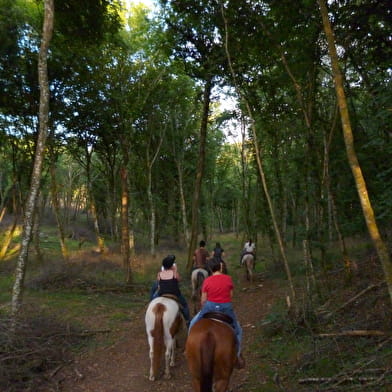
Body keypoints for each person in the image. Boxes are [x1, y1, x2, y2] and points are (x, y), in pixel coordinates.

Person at [188, 257, 245, 369]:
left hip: (209, 306)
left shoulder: (207, 280)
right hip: (226, 307)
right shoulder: (228, 278)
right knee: (238, 330)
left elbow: (203, 299)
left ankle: (188, 349)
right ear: (221, 267)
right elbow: (231, 296)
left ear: (210, 268)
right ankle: (237, 355)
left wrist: (205, 307)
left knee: (192, 324)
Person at [150, 255, 191, 327]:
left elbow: (159, 282)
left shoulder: (160, 273)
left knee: (152, 302)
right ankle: (187, 320)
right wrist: (174, 271)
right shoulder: (175, 273)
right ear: (171, 266)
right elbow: (179, 280)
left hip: (162, 293)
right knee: (184, 305)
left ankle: (150, 314)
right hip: (174, 293)